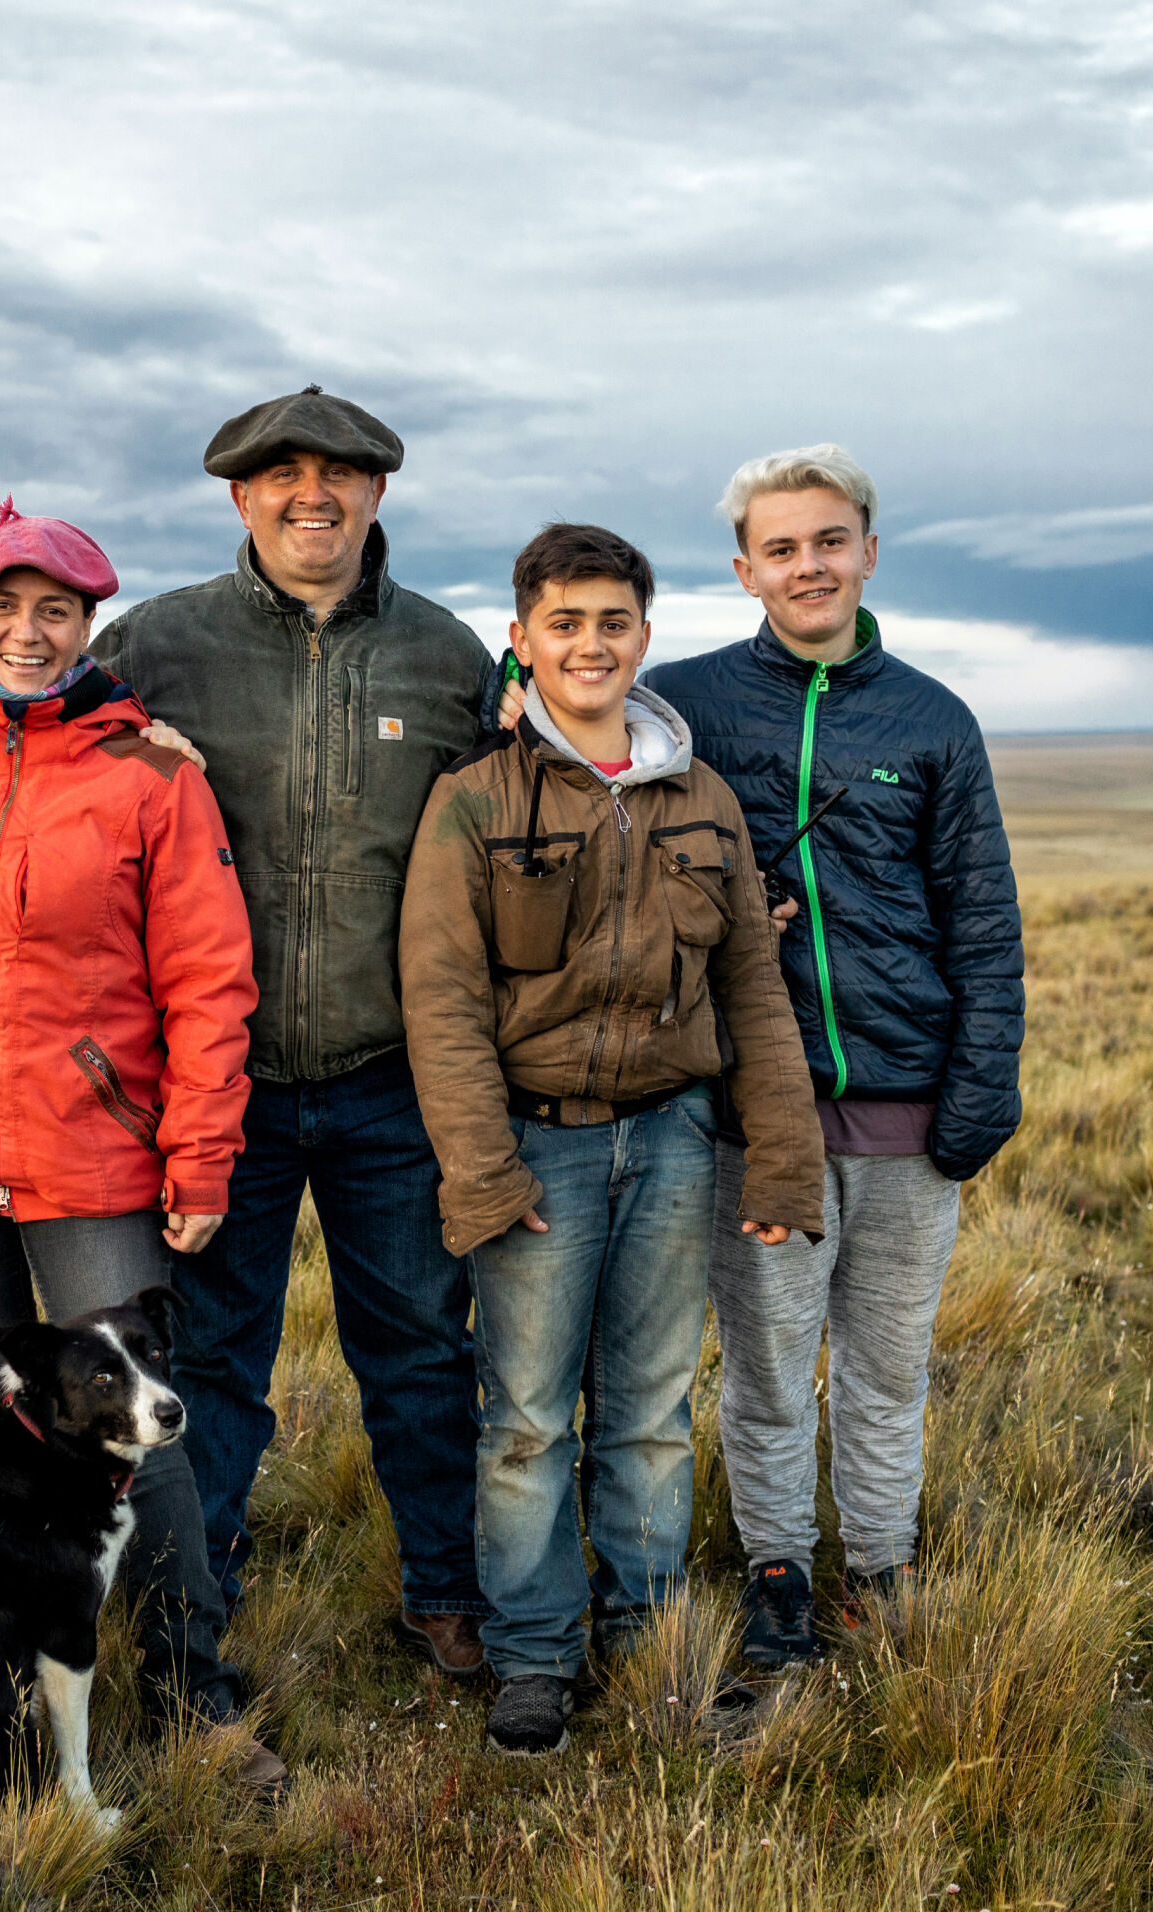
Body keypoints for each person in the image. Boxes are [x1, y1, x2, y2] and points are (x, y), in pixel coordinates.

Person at [0, 388, 498, 1677]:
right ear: (241, 496)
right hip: (218, 1091)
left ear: (379, 491)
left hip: (389, 1079)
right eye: (283, 475)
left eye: (340, 473)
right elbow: (31, 704)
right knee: (207, 1368)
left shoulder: (445, 658)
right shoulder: (159, 641)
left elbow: (511, 817)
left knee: (424, 1355)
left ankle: (444, 1591)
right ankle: (202, 1606)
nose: (312, 494)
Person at [0, 499, 285, 1790]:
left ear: (91, 622)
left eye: (55, 610)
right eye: (1, 610)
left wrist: (200, 1154)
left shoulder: (151, 773)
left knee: (142, 1432)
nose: (26, 633)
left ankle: (195, 1689)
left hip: (92, 1155)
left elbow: (210, 978)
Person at [402, 523, 824, 1755]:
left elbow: (752, 988)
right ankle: (535, 1654)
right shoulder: (475, 799)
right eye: (565, 623)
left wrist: (782, 1157)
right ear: (522, 639)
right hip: (537, 1152)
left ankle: (647, 1640)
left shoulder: (702, 798)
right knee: (528, 1420)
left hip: (675, 1143)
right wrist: (484, 1172)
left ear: (645, 635)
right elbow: (441, 999)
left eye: (613, 622)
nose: (591, 644)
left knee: (648, 1411)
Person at [642, 445, 1025, 1668]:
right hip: (760, 1120)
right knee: (765, 1368)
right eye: (781, 547)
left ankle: (880, 1564)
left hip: (913, 1120)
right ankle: (777, 1572)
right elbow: (567, 751)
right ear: (744, 570)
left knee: (887, 1369)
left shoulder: (934, 719)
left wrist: (978, 1102)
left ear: (868, 550)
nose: (808, 565)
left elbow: (984, 922)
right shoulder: (682, 704)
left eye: (828, 541)